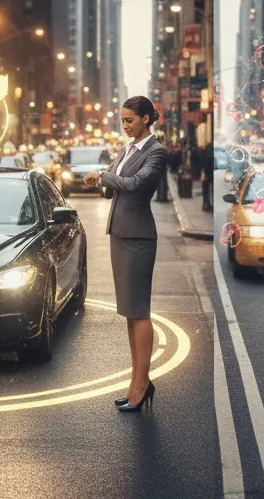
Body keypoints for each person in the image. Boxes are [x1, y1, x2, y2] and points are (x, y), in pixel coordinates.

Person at [84, 96, 168, 413]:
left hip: (139, 237)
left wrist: (106, 176)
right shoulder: (127, 148)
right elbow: (114, 185)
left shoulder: (156, 152)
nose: (124, 125)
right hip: (119, 234)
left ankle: (142, 385)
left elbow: (135, 184)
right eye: (122, 120)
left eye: (129, 120)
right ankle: (136, 383)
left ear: (146, 119)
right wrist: (99, 180)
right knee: (130, 313)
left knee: (139, 311)